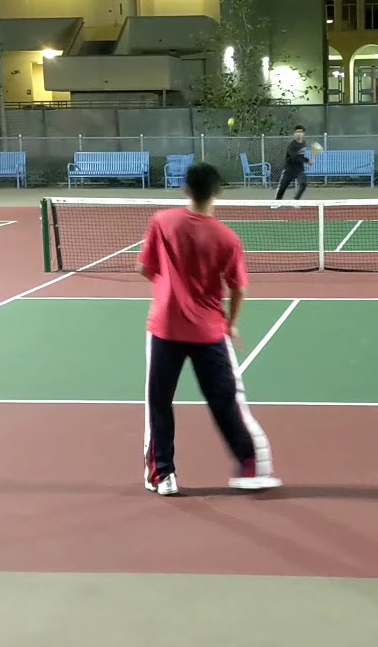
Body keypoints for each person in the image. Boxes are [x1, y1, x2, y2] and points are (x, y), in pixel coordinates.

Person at [137, 161, 281, 496]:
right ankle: (249, 467)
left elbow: (146, 268)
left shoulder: (162, 222)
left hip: (164, 327)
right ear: (217, 192)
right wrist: (231, 323)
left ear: (185, 189)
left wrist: (170, 292)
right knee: (226, 401)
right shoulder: (227, 238)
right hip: (209, 332)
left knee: (159, 402)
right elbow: (239, 288)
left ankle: (163, 475)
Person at [273, 124, 311, 205]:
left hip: (299, 170)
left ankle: (295, 201)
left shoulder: (303, 144)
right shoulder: (291, 145)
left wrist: (308, 160)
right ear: (294, 134)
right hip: (289, 170)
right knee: (282, 187)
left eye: (300, 132)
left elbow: (301, 156)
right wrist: (306, 160)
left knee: (303, 184)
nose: (299, 134)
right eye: (297, 132)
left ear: (303, 134)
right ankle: (276, 203)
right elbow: (294, 157)